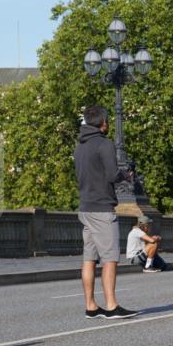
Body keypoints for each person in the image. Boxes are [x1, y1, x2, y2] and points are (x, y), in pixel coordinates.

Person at [73, 105, 138, 319]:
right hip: (102, 208)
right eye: (107, 120)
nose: (108, 124)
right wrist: (126, 176)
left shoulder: (79, 147)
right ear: (102, 123)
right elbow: (111, 174)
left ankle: (90, 306)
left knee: (89, 258)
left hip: (85, 207)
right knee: (110, 258)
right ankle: (111, 305)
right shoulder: (104, 144)